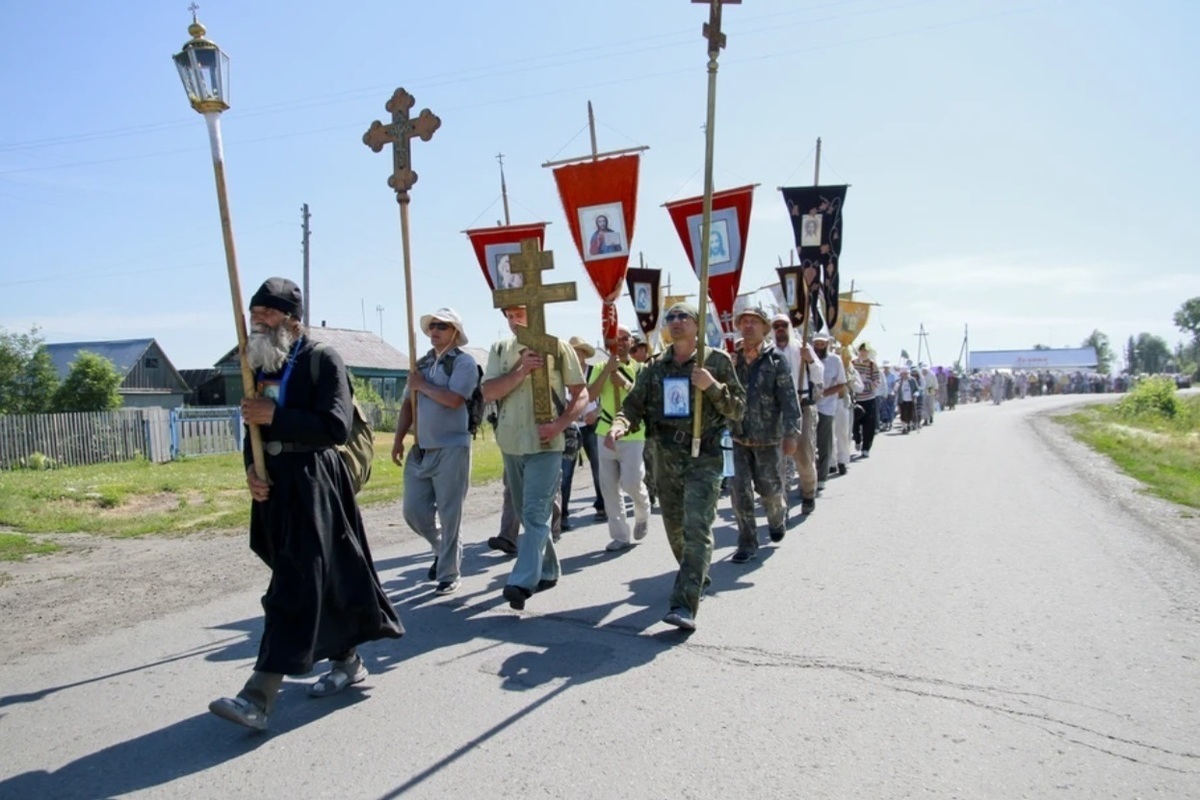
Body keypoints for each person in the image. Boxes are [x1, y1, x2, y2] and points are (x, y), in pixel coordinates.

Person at [209, 278, 402, 732]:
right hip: (274, 485)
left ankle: (257, 696)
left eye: (268, 313)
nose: (258, 319)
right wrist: (251, 471)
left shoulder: (321, 359)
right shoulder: (257, 364)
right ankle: (348, 659)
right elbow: (252, 428)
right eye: (255, 312)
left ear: (293, 320)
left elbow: (335, 427)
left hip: (315, 481)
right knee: (321, 577)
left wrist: (275, 416)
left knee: (293, 586)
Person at [605, 302, 745, 631]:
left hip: (704, 456)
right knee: (676, 530)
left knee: (697, 528)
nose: (676, 322)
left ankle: (684, 604)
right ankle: (696, 576)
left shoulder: (716, 362)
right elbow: (632, 405)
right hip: (666, 458)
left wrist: (711, 386)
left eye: (684, 317)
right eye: (671, 318)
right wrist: (620, 425)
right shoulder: (655, 367)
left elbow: (738, 409)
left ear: (697, 325)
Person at [482, 305, 587, 610]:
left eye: (520, 313)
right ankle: (550, 569)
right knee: (526, 511)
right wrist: (521, 370)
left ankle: (521, 581)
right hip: (511, 442)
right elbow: (488, 391)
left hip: (546, 443)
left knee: (536, 512)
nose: (514, 321)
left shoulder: (558, 347)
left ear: (536, 312)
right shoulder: (500, 349)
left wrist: (560, 424)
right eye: (509, 316)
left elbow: (580, 393)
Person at [391, 307, 477, 596]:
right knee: (413, 511)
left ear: (455, 332)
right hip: (421, 449)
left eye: (442, 326)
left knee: (451, 512)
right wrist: (398, 438)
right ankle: (442, 548)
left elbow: (454, 399)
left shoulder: (464, 363)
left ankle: (449, 573)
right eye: (433, 326)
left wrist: (422, 386)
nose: (435, 330)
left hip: (452, 447)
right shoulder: (422, 364)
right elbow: (407, 404)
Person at [728, 307, 801, 562]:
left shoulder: (775, 360)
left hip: (769, 438)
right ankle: (747, 542)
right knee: (739, 492)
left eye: (754, 322)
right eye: (744, 322)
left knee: (770, 491)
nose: (748, 326)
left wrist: (792, 433)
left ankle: (776, 517)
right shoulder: (732, 360)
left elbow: (789, 399)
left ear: (764, 328)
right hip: (737, 437)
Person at [589, 326, 651, 552]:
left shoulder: (641, 368)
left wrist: (623, 382)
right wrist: (607, 371)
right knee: (609, 487)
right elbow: (591, 394)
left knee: (632, 482)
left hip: (633, 433)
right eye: (616, 339)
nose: (621, 343)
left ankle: (643, 511)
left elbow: (645, 397)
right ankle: (620, 535)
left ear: (631, 342)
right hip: (605, 432)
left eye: (625, 339)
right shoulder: (598, 367)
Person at [772, 313, 823, 514]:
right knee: (778, 461)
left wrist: (810, 360)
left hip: (801, 407)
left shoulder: (801, 348)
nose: (780, 329)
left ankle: (809, 493)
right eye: (776, 326)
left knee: (803, 457)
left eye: (783, 325)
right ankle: (781, 505)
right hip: (778, 411)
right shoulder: (768, 351)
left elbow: (819, 375)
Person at [560, 336, 603, 529]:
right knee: (565, 471)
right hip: (570, 427)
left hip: (592, 424)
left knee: (598, 466)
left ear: (585, 354)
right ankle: (562, 514)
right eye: (572, 353)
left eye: (578, 352)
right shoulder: (562, 375)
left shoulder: (595, 372)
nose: (576, 356)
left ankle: (602, 505)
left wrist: (597, 411)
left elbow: (605, 396)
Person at [813, 333, 844, 491]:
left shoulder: (835, 360)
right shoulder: (808, 358)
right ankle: (811, 475)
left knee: (824, 443)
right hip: (809, 406)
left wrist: (824, 393)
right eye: (816, 344)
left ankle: (822, 477)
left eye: (821, 344)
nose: (819, 347)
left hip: (826, 407)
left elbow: (841, 384)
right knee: (808, 444)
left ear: (827, 344)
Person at [851, 342, 880, 458]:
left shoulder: (873, 365)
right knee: (854, 423)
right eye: (861, 350)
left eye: (865, 351)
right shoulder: (852, 363)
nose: (863, 353)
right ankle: (857, 440)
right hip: (856, 398)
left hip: (869, 398)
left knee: (869, 424)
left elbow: (877, 381)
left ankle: (866, 448)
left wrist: (866, 385)